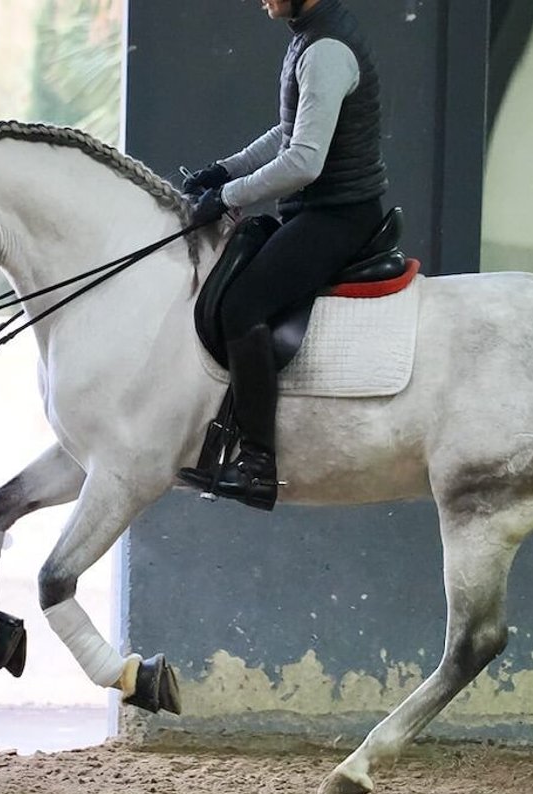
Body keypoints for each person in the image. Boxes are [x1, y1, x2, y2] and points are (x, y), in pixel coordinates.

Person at [177, 0, 388, 511]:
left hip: (338, 217)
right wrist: (224, 170)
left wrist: (229, 198)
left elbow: (303, 161)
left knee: (242, 305)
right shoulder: (309, 36)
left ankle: (257, 466)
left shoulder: (327, 50)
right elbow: (288, 130)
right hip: (318, 211)